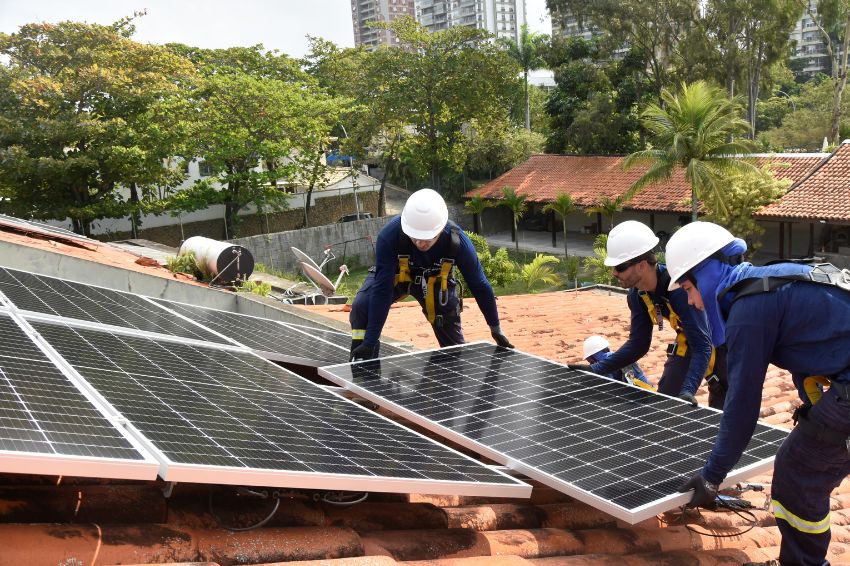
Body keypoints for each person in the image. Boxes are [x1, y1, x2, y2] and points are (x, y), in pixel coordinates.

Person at [667, 221, 850, 566]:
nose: (692, 301)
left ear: (707, 275)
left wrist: (712, 476)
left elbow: (743, 404)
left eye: (690, 288)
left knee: (798, 471)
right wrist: (814, 408)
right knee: (814, 454)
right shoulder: (768, 282)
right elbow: (809, 349)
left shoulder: (749, 310)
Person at [569, 220, 724, 408]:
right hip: (690, 343)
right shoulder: (638, 296)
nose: (613, 272)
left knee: (723, 412)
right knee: (665, 406)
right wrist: (596, 369)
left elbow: (703, 345)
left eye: (619, 267)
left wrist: (688, 390)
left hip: (723, 343)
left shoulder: (678, 290)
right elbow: (638, 345)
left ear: (642, 265)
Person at [349, 188, 513, 360]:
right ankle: (365, 366)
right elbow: (382, 290)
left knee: (451, 341)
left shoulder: (457, 242)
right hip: (396, 277)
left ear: (441, 229)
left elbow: (479, 285)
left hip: (435, 282)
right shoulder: (389, 236)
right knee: (363, 306)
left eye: (427, 238)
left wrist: (496, 329)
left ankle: (453, 370)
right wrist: (370, 342)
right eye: (414, 237)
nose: (420, 243)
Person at [582, 334, 652, 389]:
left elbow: (610, 389)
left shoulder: (605, 366)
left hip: (639, 398)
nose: (590, 363)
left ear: (594, 355)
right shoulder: (621, 357)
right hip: (650, 391)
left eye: (589, 360)